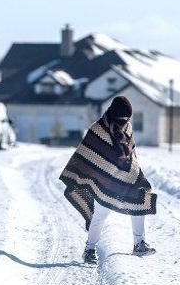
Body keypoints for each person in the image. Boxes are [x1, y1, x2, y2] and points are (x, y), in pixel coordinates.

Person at [59, 96, 157, 264]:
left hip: (127, 179)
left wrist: (135, 172)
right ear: (114, 114)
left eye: (127, 118)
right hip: (105, 182)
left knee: (140, 201)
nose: (124, 121)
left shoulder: (128, 127)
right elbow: (87, 154)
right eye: (122, 118)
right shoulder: (98, 129)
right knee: (100, 216)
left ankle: (139, 243)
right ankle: (89, 250)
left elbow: (131, 153)